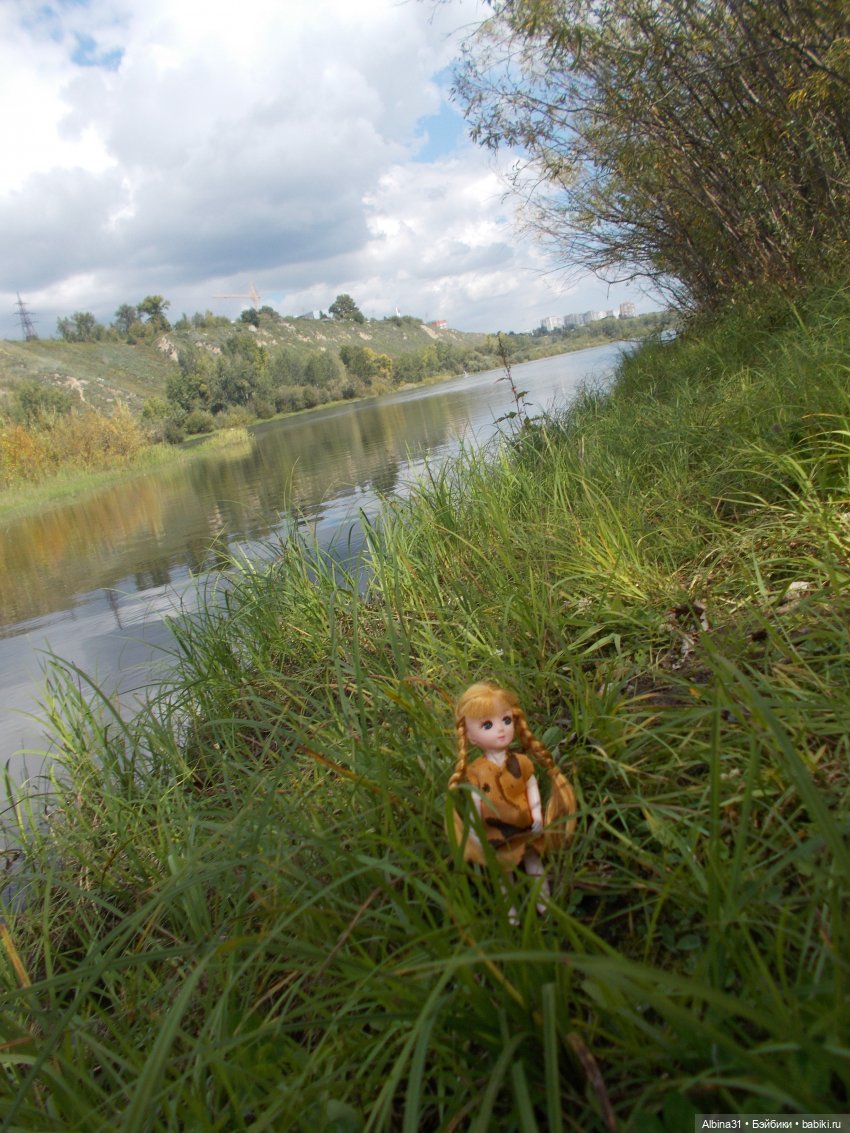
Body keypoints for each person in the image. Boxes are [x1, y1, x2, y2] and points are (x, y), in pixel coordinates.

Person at [448, 681, 577, 918]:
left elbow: (532, 788)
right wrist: (474, 827)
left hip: (524, 823)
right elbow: (476, 802)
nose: (501, 729)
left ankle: (545, 905)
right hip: (495, 831)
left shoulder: (521, 762)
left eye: (506, 720)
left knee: (533, 860)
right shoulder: (476, 771)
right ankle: (511, 912)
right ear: (470, 736)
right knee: (502, 870)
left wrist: (537, 814)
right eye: (487, 725)